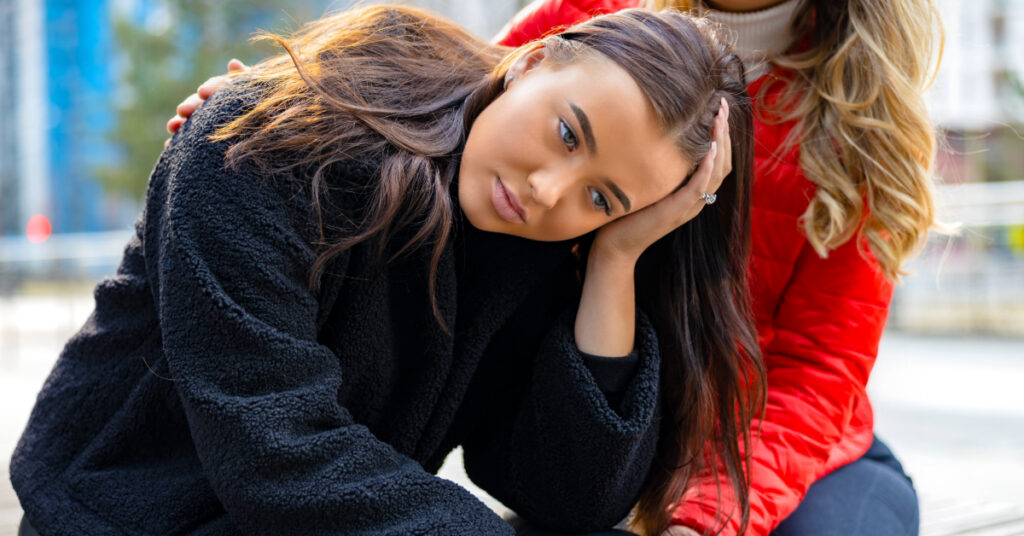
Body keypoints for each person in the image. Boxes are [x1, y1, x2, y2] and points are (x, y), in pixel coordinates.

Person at [11, 5, 764, 536]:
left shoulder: (534, 245)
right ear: (532, 60)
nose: (546, 191)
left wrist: (615, 258)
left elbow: (570, 499)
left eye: (602, 196)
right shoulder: (266, 142)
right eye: (567, 133)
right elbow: (276, 451)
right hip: (126, 509)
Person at [488, 0, 941, 535]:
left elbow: (821, 369)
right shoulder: (591, 19)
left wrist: (706, 521)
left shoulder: (864, 118)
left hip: (789, 457)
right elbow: (460, 134)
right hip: (605, 432)